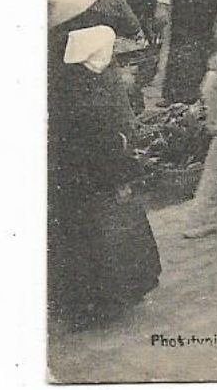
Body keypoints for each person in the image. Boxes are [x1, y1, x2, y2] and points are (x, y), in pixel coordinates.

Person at [47, 23, 161, 327]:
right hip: (99, 178)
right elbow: (111, 140)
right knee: (107, 239)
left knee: (77, 243)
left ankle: (81, 302)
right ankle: (104, 302)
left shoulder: (66, 81)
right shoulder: (97, 89)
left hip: (72, 182)